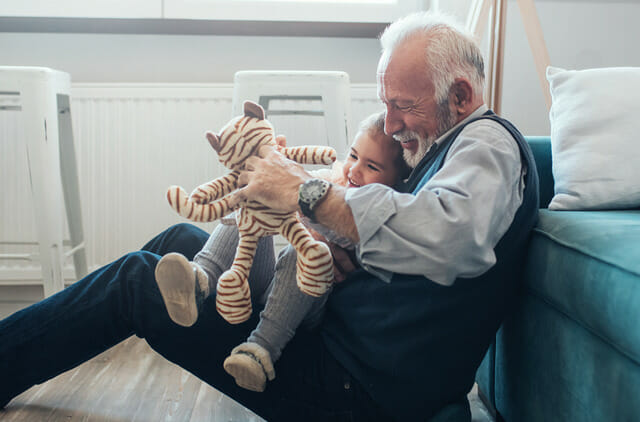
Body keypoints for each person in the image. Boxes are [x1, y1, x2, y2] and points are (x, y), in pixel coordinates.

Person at [0, 11, 539, 421]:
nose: (390, 121)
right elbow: (408, 229)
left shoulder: (487, 142)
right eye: (385, 103)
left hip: (359, 384)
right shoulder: (444, 145)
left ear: (462, 95)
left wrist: (307, 197)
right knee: (178, 243)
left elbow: (451, 237)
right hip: (335, 331)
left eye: (403, 105)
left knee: (136, 282)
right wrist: (334, 236)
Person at [154, 111, 410, 393]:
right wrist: (275, 174)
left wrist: (316, 225)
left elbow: (343, 236)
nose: (353, 170)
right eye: (353, 155)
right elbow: (294, 185)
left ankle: (260, 349)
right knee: (253, 203)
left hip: (305, 307)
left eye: (372, 166)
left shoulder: (375, 218)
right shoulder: (334, 179)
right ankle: (199, 278)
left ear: (395, 183)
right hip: (271, 289)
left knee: (302, 254)